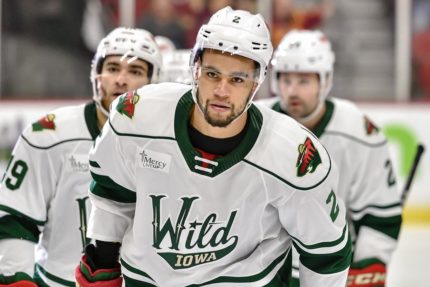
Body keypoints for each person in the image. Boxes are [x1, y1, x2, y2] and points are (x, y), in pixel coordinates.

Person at [75, 7, 352, 287]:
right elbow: (112, 193)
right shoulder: (137, 116)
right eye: (211, 74)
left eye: (237, 79)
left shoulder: (293, 155)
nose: (222, 90)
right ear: (194, 69)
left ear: (258, 81)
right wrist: (103, 259)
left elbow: (325, 252)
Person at [0, 27, 162, 287]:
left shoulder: (169, 144)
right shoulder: (50, 135)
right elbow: (16, 216)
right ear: (95, 75)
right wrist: (15, 278)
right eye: (112, 68)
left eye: (135, 72)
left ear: (154, 82)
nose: (121, 80)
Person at [262, 29, 402, 287]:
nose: (292, 91)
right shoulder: (256, 123)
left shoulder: (357, 132)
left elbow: (380, 215)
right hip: (265, 271)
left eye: (303, 81)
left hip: (332, 270)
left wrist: (367, 267)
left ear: (325, 81)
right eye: (285, 79)